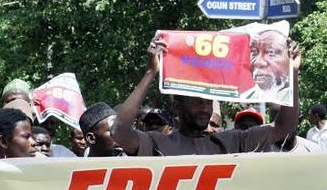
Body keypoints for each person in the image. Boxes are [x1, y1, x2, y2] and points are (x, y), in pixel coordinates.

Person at [112, 33, 299, 157]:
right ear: (177, 106)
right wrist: (151, 72)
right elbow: (119, 131)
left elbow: (284, 126)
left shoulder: (233, 142)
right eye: (197, 101)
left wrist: (292, 72)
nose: (204, 108)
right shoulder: (158, 144)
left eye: (208, 101)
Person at [239, 23, 293, 105]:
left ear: (288, 56)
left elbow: (288, 117)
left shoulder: (290, 96)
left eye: (271, 52)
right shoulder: (245, 97)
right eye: (254, 52)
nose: (258, 62)